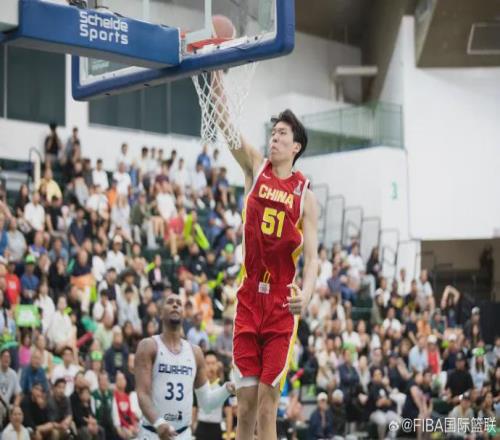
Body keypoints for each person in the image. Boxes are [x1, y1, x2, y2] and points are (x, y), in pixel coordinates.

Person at [215, 99, 318, 439]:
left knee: (266, 408)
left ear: (296, 146)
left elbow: (313, 259)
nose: (274, 137)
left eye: (282, 133)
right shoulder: (256, 168)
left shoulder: (305, 195)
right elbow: (228, 129)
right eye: (273, 132)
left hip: (280, 305)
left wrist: (307, 294)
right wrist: (215, 81)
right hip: (248, 298)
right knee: (244, 408)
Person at [134, 293, 235, 440]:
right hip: (152, 433)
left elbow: (206, 403)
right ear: (160, 313)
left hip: (183, 434)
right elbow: (142, 395)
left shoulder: (195, 353)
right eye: (170, 302)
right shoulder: (148, 346)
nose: (175, 305)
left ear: (183, 314)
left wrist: (227, 389)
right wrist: (159, 423)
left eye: (179, 303)